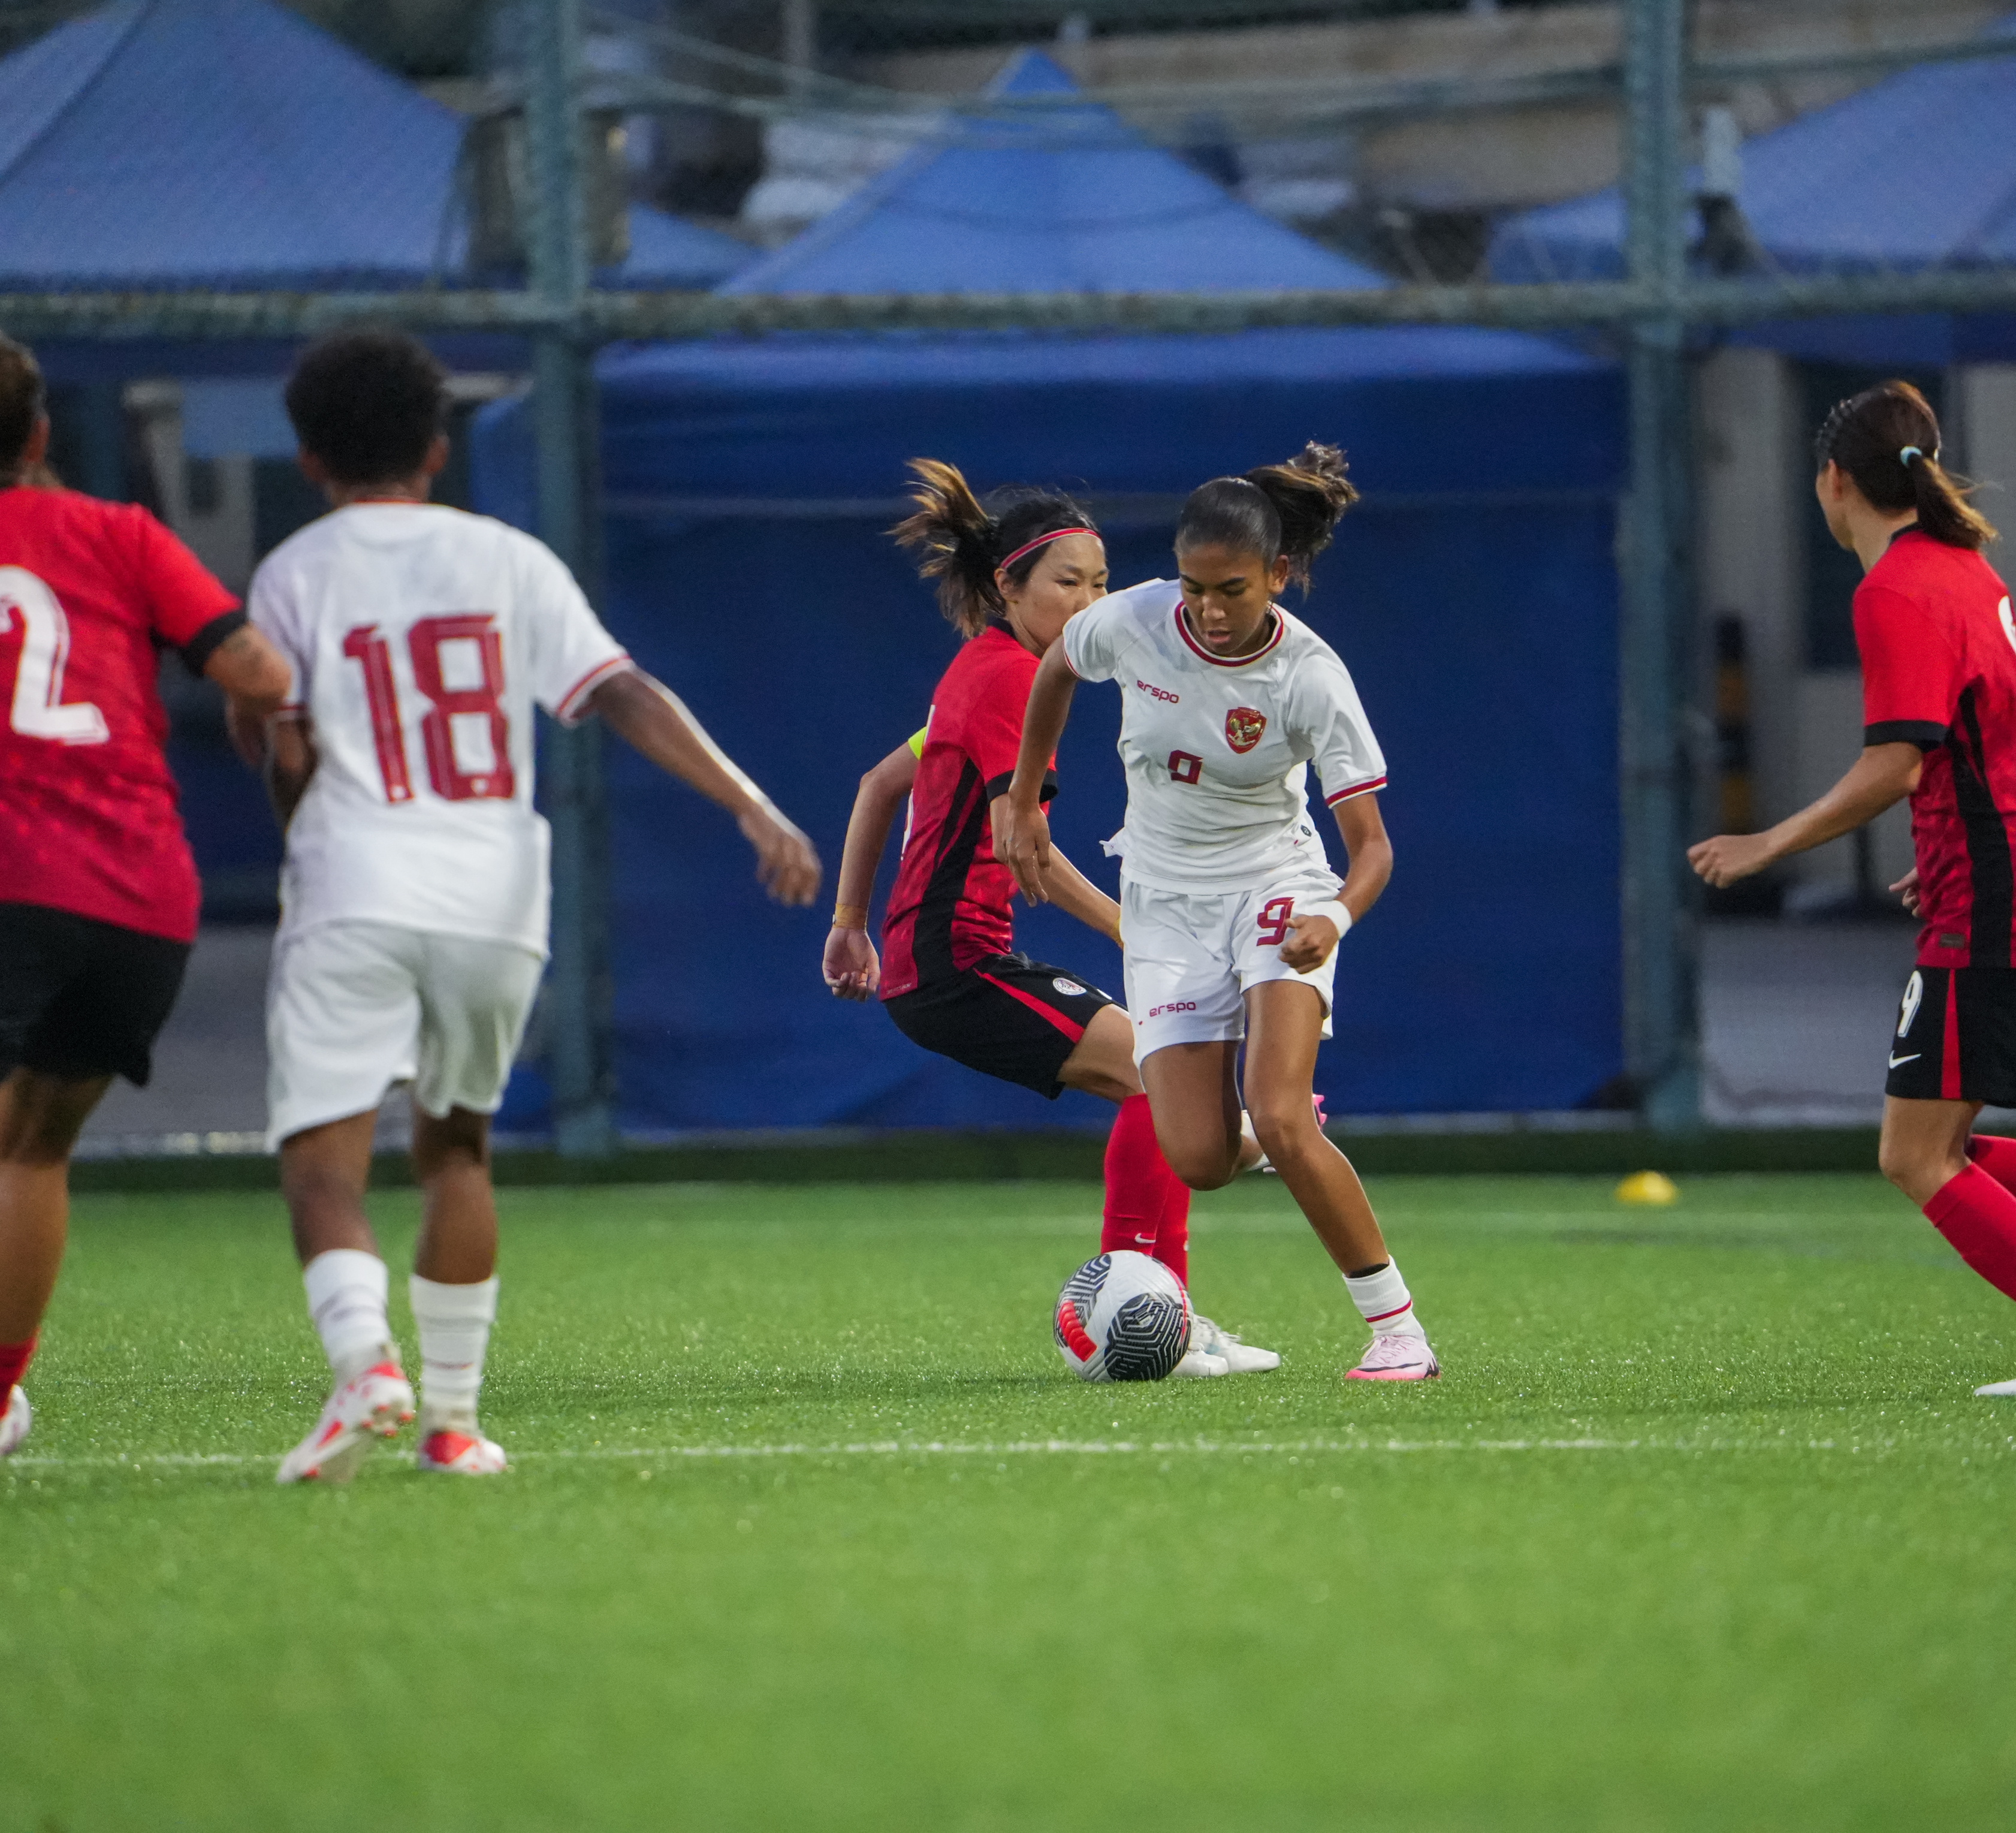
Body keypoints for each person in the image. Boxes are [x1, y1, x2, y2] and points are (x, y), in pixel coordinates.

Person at [240, 330, 823, 1483]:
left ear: (308, 457)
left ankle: (366, 1365)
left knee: (323, 1164)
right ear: (437, 446)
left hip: (358, 878)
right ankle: (453, 1425)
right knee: (458, 1147)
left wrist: (289, 793)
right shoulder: (509, 558)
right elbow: (618, 690)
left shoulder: (296, 569)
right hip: (495, 890)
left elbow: (283, 739)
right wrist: (752, 805)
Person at [1688, 381, 2016, 1397]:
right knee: (1939, 1141)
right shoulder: (1967, 571)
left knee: (1915, 1154)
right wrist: (1962, 837)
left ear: (1831, 482)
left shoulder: (1891, 589)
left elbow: (1895, 764)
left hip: (1997, 887)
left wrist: (1769, 842)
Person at [823, 462, 1276, 1379]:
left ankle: (1168, 1310)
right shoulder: (1002, 681)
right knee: (1165, 1078)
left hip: (943, 959)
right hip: (956, 964)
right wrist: (1137, 929)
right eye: (1068, 581)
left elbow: (878, 785)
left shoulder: (993, 670)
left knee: (1165, 1075)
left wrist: (849, 923)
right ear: (1010, 586)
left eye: (1100, 583)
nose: (1088, 600)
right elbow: (1024, 849)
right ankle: (1155, 1310)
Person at [996, 444, 1435, 1382]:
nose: (1207, 608)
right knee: (1195, 1156)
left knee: (1277, 1113)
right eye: (1195, 586)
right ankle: (1281, 1138)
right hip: (1161, 904)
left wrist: (1336, 921)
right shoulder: (1135, 620)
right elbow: (1056, 670)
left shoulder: (1311, 678)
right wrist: (1026, 795)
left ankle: (1398, 1332)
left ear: (1278, 575)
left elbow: (1374, 852)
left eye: (1232, 588)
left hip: (1277, 889)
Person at [0, 334, 294, 1459]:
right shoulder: (114, 532)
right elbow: (261, 673)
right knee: (32, 1146)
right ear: (39, 434)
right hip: (131, 891)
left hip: (8, 873)